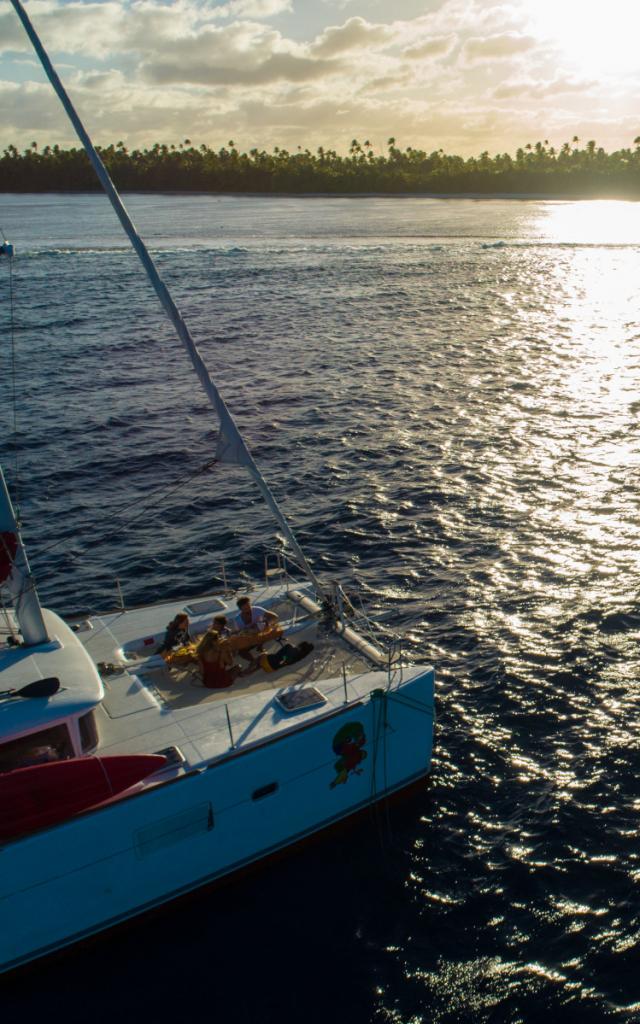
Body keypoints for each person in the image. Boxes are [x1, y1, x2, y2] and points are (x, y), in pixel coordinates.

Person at [232, 596, 280, 661]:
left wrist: (266, 623)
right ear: (241, 609)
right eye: (245, 609)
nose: (248, 610)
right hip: (249, 637)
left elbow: (274, 616)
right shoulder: (237, 619)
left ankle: (261, 649)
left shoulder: (256, 609)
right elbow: (239, 633)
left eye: (249, 607)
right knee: (241, 651)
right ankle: (254, 661)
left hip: (261, 633)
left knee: (264, 630)